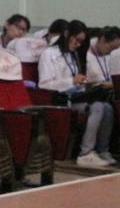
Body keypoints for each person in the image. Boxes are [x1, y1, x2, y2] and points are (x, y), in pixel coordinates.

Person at [38, 20, 115, 167]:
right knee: (97, 107)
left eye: (81, 42)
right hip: (59, 99)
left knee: (107, 107)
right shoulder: (49, 54)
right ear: (67, 34)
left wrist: (84, 85)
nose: (78, 44)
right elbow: (44, 84)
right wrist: (71, 81)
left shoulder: (72, 55)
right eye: (77, 40)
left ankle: (102, 150)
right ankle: (85, 153)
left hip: (76, 96)